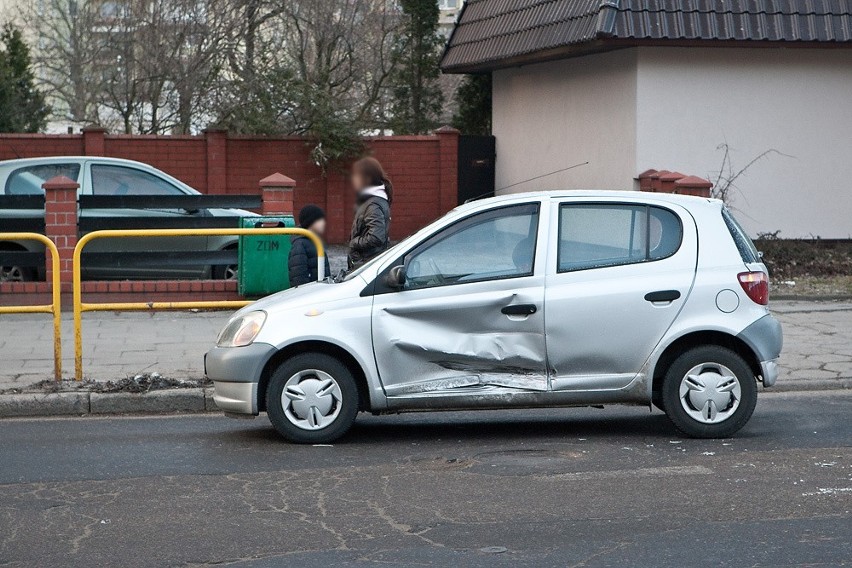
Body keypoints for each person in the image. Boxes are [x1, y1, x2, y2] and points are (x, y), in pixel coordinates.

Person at [348, 157, 392, 270]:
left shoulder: (372, 205)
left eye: (356, 175)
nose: (353, 179)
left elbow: (376, 237)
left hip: (366, 265)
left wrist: (354, 243)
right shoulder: (373, 200)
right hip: (367, 263)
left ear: (367, 178)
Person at [288, 204, 331, 287]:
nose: (323, 223)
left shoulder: (315, 241)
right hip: (309, 294)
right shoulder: (300, 244)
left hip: (318, 291)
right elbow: (298, 276)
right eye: (320, 220)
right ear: (310, 222)